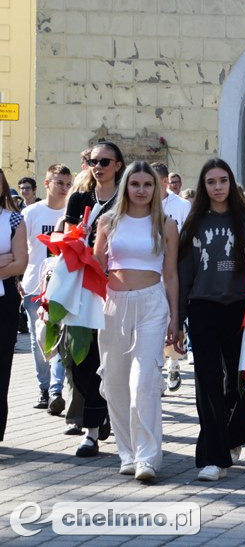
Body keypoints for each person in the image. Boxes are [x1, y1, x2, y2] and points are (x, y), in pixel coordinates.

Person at [178, 158, 245, 482]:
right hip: (202, 307)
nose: (217, 187)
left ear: (231, 184)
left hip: (240, 307)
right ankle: (211, 457)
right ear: (204, 187)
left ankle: (235, 434)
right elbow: (184, 273)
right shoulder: (193, 224)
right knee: (207, 382)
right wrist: (176, 320)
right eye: (211, 182)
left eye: (222, 181)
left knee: (239, 378)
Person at [92, 162, 179, 482]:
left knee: (143, 382)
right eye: (135, 184)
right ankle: (126, 453)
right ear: (126, 186)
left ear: (156, 189)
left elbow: (171, 274)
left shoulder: (165, 224)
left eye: (148, 184)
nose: (141, 190)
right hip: (113, 306)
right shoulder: (108, 221)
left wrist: (176, 317)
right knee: (115, 383)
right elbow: (95, 266)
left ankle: (147, 457)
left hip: (152, 304)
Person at [63, 141, 126, 457]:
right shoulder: (79, 199)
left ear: (117, 165)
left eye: (104, 161)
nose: (97, 166)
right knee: (79, 359)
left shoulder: (125, 201)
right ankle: (96, 418)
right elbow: (64, 241)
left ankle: (91, 431)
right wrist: (76, 236)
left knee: (106, 359)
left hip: (113, 286)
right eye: (92, 161)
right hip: (80, 284)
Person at [21, 164, 73, 414]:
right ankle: (44, 387)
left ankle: (56, 390)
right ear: (47, 183)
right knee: (38, 338)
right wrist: (19, 279)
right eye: (59, 183)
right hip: (34, 286)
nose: (64, 188)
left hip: (64, 287)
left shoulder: (71, 212)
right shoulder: (31, 213)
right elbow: (21, 249)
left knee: (61, 338)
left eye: (67, 183)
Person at [151, 162, 191, 393]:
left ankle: (174, 362)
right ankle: (157, 367)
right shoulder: (144, 205)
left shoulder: (182, 205)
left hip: (174, 269)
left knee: (173, 316)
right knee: (155, 319)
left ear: (166, 182)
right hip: (151, 270)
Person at [0, 169, 27, 444]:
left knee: (1, 365)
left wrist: (9, 263)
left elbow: (20, 262)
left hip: (4, 299)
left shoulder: (14, 219)